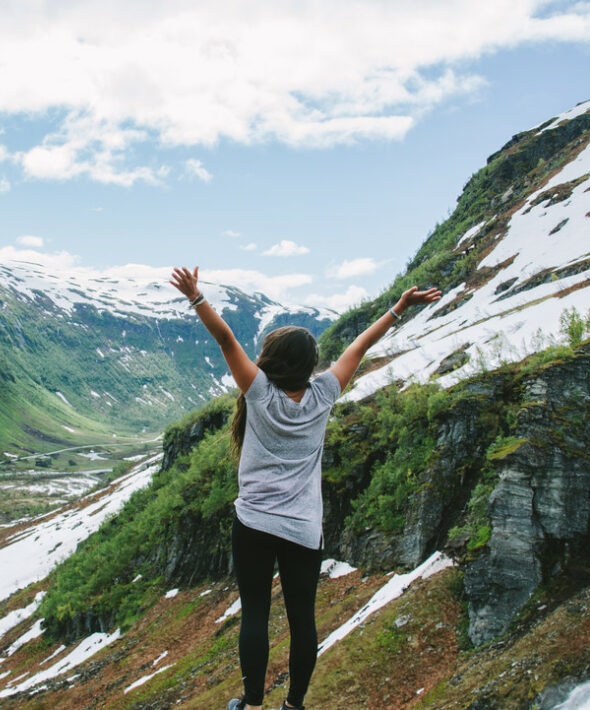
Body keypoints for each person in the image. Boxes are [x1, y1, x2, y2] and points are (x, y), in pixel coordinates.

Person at [168, 267, 441, 710]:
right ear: (309, 366)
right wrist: (399, 308)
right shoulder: (324, 394)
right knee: (302, 620)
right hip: (302, 528)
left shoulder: (258, 393)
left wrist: (197, 298)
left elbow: (225, 340)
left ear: (272, 362)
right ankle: (293, 706)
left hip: (254, 520)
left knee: (255, 614)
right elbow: (361, 345)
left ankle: (253, 704)